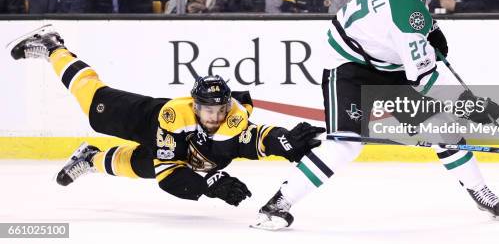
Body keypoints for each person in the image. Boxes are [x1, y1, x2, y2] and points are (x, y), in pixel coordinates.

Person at [251, 0, 499, 230]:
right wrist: (468, 105)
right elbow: (425, 79)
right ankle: (278, 203)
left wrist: (430, 26)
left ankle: (480, 191)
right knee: (345, 144)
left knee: (439, 126)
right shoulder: (406, 18)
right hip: (348, 63)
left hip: (387, 62)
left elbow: (412, 12)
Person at [7, 25, 325, 205]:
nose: (214, 117)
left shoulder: (235, 118)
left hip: (187, 154)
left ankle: (91, 159)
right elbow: (170, 178)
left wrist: (286, 142)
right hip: (150, 120)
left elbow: (259, 137)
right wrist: (209, 186)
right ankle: (52, 47)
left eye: (219, 110)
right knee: (94, 104)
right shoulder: (175, 115)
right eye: (206, 109)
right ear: (194, 105)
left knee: (141, 165)